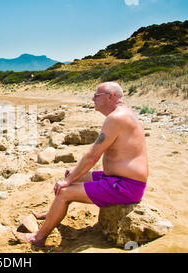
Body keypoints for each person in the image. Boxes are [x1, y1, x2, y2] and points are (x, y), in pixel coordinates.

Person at [13, 81, 149, 247]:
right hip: (117, 178)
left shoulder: (116, 118)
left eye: (96, 95)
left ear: (110, 97)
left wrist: (67, 182)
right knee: (71, 175)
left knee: (64, 192)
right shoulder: (122, 114)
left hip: (126, 186)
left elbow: (92, 156)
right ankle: (52, 213)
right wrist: (71, 177)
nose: (93, 99)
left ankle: (38, 238)